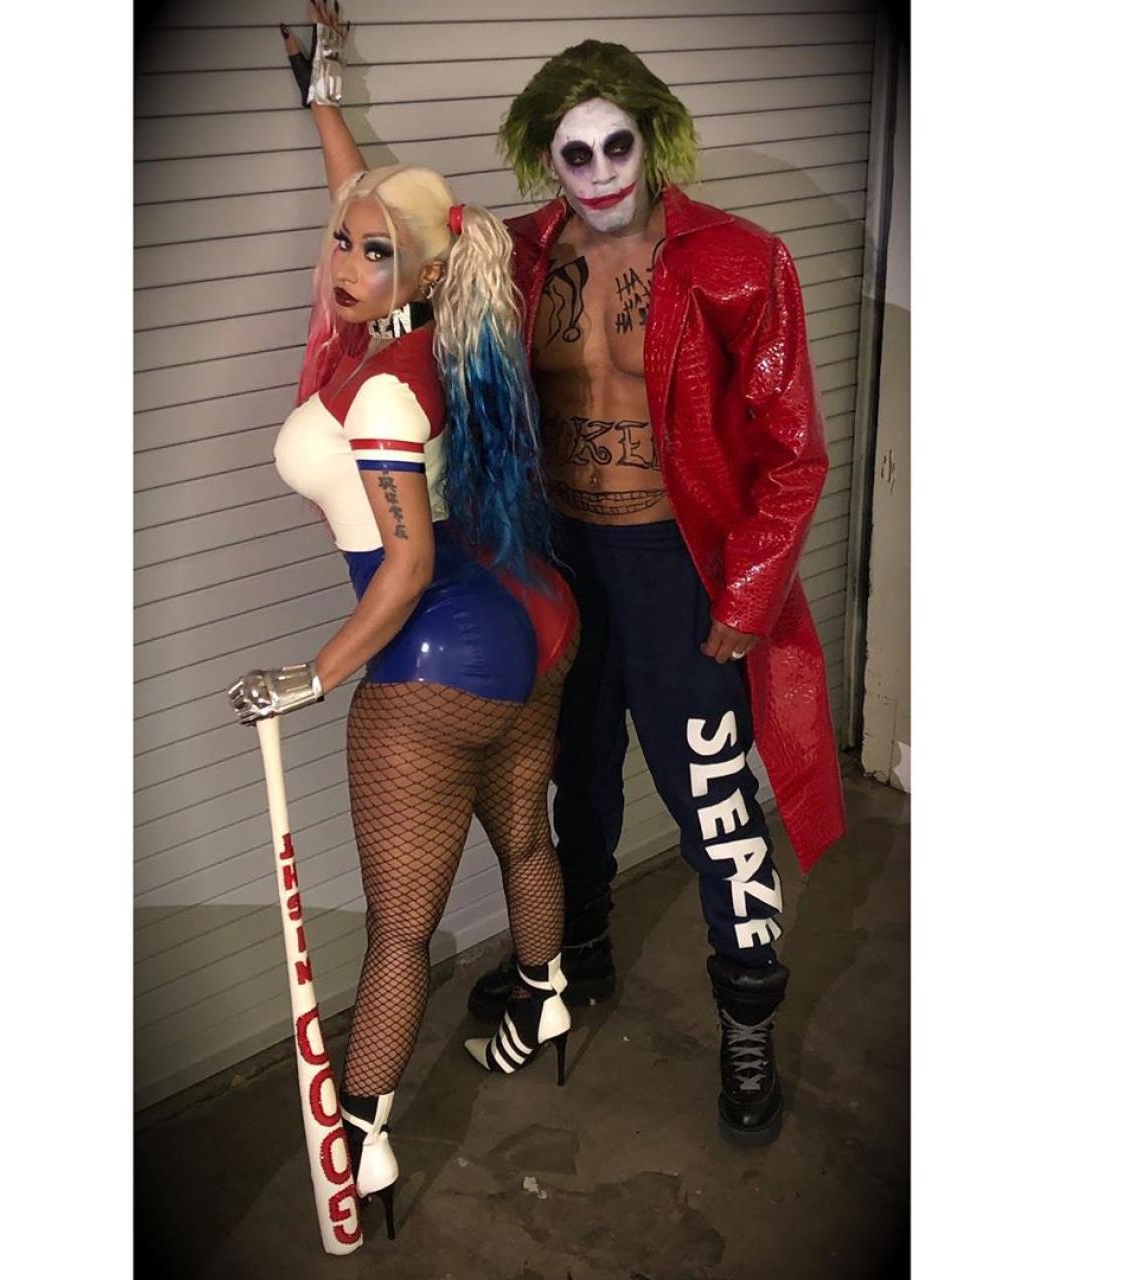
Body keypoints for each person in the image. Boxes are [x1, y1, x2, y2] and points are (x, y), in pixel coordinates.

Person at [289, 8, 845, 1148]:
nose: (598, 173)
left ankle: (746, 1017)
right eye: (573, 152)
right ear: (545, 153)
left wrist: (745, 599)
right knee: (571, 788)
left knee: (714, 803)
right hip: (551, 565)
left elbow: (794, 454)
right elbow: (379, 224)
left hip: (677, 569)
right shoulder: (513, 253)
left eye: (617, 146)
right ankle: (573, 957)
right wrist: (324, 99)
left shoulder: (741, 263)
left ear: (654, 138)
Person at [228, 23, 580, 1241]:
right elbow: (366, 202)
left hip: (436, 659)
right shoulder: (444, 340)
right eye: (342, 239)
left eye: (369, 252)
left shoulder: (382, 387)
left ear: (419, 271)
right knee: (522, 838)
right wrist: (322, 96)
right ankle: (544, 997)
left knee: (398, 929)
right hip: (536, 624)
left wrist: (311, 676)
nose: (342, 259)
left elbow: (407, 564)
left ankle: (364, 1137)